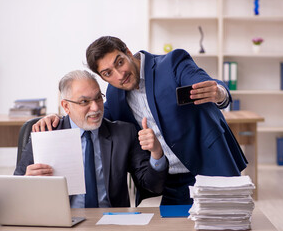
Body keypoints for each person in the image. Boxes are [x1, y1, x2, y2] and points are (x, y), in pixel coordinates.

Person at [33, 36, 247, 205]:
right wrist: (62, 116)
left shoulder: (172, 63)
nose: (119, 75)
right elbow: (94, 116)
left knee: (228, 223)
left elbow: (203, 82)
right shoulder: (114, 96)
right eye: (108, 73)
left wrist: (218, 93)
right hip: (168, 180)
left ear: (127, 51)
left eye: (119, 62)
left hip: (208, 166)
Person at [14, 70, 168, 208]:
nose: (95, 108)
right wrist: (27, 182)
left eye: (98, 98)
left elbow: (152, 187)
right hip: (61, 221)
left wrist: (156, 153)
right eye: (84, 102)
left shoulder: (123, 133)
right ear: (66, 107)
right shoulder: (46, 132)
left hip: (111, 222)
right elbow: (14, 192)